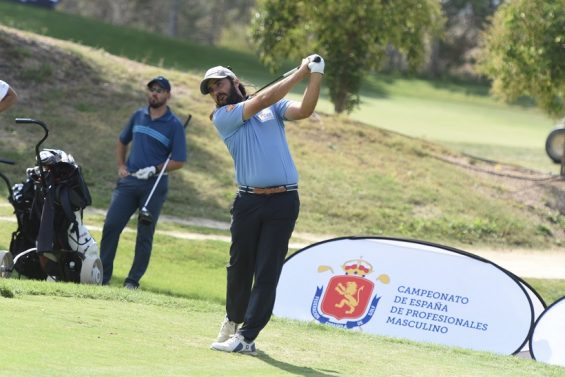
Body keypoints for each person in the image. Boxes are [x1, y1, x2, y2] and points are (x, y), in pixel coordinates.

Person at [200, 54, 324, 354]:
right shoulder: (223, 116)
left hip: (284, 200)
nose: (216, 90)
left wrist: (316, 74)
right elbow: (261, 100)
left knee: (267, 271)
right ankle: (232, 319)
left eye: (220, 83)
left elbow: (305, 110)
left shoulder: (274, 110)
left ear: (235, 82)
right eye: (211, 88)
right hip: (248, 201)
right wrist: (300, 73)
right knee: (239, 266)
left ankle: (247, 336)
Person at [100, 76, 187, 289]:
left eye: (160, 90)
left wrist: (155, 169)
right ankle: (102, 275)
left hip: (154, 186)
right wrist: (121, 166)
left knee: (144, 234)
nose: (154, 93)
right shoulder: (138, 116)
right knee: (111, 225)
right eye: (152, 89)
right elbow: (122, 140)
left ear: (168, 95)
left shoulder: (174, 125)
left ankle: (132, 281)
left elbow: (178, 161)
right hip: (129, 182)